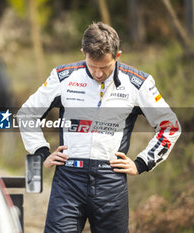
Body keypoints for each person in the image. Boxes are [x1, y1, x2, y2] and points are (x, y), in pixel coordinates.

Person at [18, 22, 181, 233]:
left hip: (110, 181)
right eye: (92, 66)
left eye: (105, 67)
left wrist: (142, 163)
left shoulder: (138, 83)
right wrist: (41, 152)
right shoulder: (63, 76)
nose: (98, 73)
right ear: (83, 52)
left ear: (118, 55)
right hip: (68, 179)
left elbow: (170, 126)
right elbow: (26, 114)